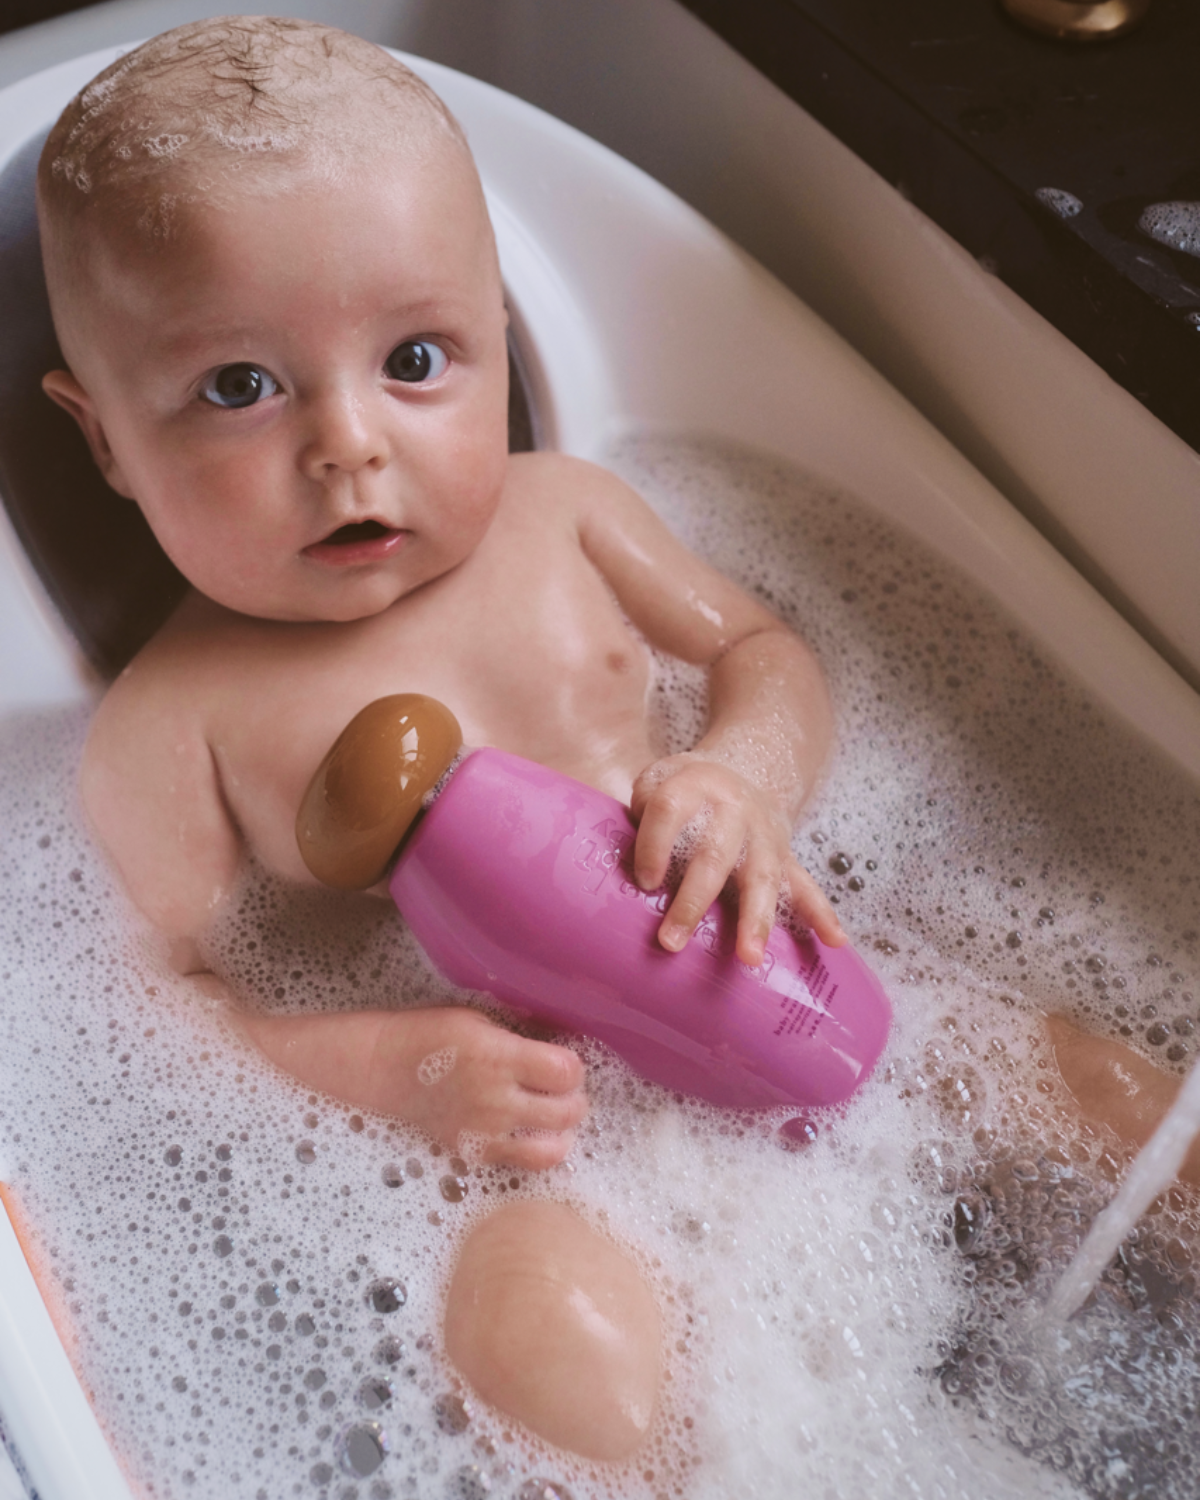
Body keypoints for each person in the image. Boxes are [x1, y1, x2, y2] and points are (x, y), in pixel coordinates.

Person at [37, 15, 843, 1175]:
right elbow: (155, 1014)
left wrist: (746, 777)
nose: (347, 445)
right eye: (239, 386)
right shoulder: (175, 724)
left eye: (414, 359)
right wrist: (390, 1070)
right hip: (534, 1149)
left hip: (789, 976)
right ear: (104, 438)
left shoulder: (566, 513)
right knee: (555, 1323)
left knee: (1082, 1085)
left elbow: (763, 651)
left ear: (495, 336)